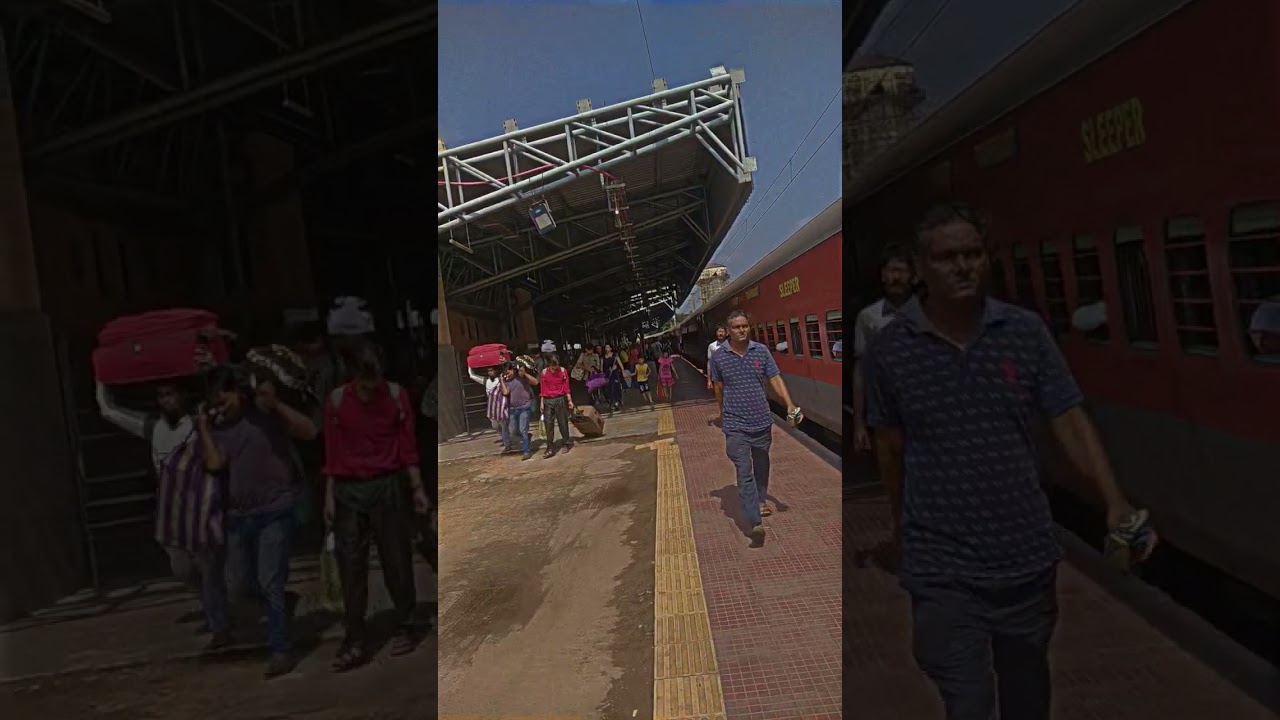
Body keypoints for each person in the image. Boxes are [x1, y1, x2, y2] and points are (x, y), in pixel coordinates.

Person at [862, 202, 1155, 720]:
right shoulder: (892, 349)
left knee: (1027, 693)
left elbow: (1068, 417)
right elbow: (889, 446)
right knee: (967, 698)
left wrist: (1113, 501)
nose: (962, 266)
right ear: (922, 267)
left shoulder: (1024, 333)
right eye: (947, 256)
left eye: (972, 253)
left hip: (1024, 555)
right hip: (941, 562)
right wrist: (901, 527)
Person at [198, 365, 317, 678]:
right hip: (238, 516)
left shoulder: (265, 418)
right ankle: (280, 604)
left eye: (224, 396)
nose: (220, 403)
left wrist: (275, 403)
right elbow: (213, 463)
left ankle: (280, 649)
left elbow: (309, 430)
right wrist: (205, 429)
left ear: (238, 393)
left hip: (275, 510)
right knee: (237, 585)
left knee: (269, 581)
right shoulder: (220, 428)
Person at [322, 343, 430, 672]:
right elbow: (332, 453)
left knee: (395, 557)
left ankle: (407, 623)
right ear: (354, 377)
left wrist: (417, 489)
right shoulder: (338, 402)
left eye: (375, 381)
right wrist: (329, 496)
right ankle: (355, 637)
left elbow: (407, 447)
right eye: (365, 383)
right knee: (350, 565)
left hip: (387, 485)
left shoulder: (396, 397)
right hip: (349, 489)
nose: (370, 390)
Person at [709, 309, 801, 543]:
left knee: (761, 463)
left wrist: (789, 404)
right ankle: (755, 523)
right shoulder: (718, 357)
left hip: (761, 420)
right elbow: (718, 387)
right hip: (735, 423)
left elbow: (775, 379)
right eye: (736, 327)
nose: (741, 330)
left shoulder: (761, 351)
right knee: (743, 470)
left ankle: (760, 500)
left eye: (744, 326)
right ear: (728, 331)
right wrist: (722, 415)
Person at [852, 242, 915, 546]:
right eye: (891, 271)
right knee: (895, 489)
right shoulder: (869, 318)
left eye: (902, 270)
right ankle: (904, 545)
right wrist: (859, 422)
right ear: (882, 277)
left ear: (913, 275)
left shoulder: (932, 313)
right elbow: (861, 370)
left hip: (929, 419)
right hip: (886, 419)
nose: (897, 277)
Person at [536, 353, 575, 457]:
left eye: (556, 366)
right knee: (548, 424)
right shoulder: (544, 373)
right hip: (548, 400)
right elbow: (542, 389)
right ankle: (550, 446)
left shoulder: (563, 371)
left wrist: (569, 400)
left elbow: (566, 387)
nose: (555, 369)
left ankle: (566, 442)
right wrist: (541, 402)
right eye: (553, 367)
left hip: (560, 399)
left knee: (563, 422)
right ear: (549, 365)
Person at [500, 360, 537, 461]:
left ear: (513, 370)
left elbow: (535, 382)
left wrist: (525, 373)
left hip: (524, 407)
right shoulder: (506, 382)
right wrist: (502, 381)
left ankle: (526, 451)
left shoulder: (521, 378)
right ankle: (526, 437)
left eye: (509, 371)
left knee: (523, 429)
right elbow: (506, 392)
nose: (508, 374)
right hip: (512, 409)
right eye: (506, 372)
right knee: (512, 431)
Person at [469, 365, 510, 452]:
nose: (490, 372)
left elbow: (508, 374)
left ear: (495, 371)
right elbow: (472, 376)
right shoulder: (485, 381)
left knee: (503, 425)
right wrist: (470, 365)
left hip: (501, 406)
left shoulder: (500, 379)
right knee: (495, 426)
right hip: (492, 407)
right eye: (489, 371)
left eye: (492, 370)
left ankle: (507, 444)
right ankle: (505, 437)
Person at [600, 343, 626, 411]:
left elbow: (620, 364)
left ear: (611, 348)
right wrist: (602, 375)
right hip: (607, 374)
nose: (606, 349)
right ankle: (611, 402)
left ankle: (618, 401)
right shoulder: (603, 357)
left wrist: (623, 371)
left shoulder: (615, 355)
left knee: (616, 387)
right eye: (605, 347)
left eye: (608, 347)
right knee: (609, 389)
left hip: (615, 373)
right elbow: (601, 367)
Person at [705, 324, 728, 391]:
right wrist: (709, 380)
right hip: (717, 376)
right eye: (719, 331)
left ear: (726, 333)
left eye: (722, 331)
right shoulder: (712, 346)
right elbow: (709, 363)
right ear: (716, 333)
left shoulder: (731, 344)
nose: (721, 334)